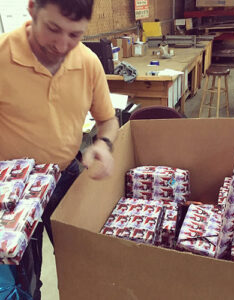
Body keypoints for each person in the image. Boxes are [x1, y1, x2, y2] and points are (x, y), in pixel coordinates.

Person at [0, 0, 119, 298]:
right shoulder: (2, 55)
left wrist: (103, 146)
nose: (62, 45)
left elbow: (108, 120)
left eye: (75, 35)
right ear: (32, 9)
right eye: (53, 29)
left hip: (66, 180)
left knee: (83, 266)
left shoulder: (88, 62)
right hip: (16, 193)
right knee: (24, 282)